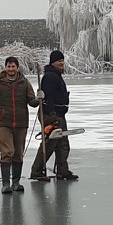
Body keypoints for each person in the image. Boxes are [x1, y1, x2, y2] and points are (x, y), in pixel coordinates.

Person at [0, 56, 38, 193]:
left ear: (17, 68)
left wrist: (39, 99)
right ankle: (5, 184)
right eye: (8, 66)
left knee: (18, 153)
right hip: (4, 123)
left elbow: (32, 102)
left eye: (13, 66)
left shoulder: (24, 83)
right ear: (5, 68)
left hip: (21, 124)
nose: (11, 69)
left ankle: (16, 183)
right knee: (7, 152)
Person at [28, 48, 77, 183]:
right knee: (50, 143)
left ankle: (62, 170)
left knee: (62, 143)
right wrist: (52, 115)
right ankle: (36, 170)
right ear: (53, 62)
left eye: (62, 60)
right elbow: (48, 97)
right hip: (51, 114)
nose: (62, 63)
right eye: (59, 61)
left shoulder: (56, 75)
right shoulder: (51, 77)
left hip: (59, 114)